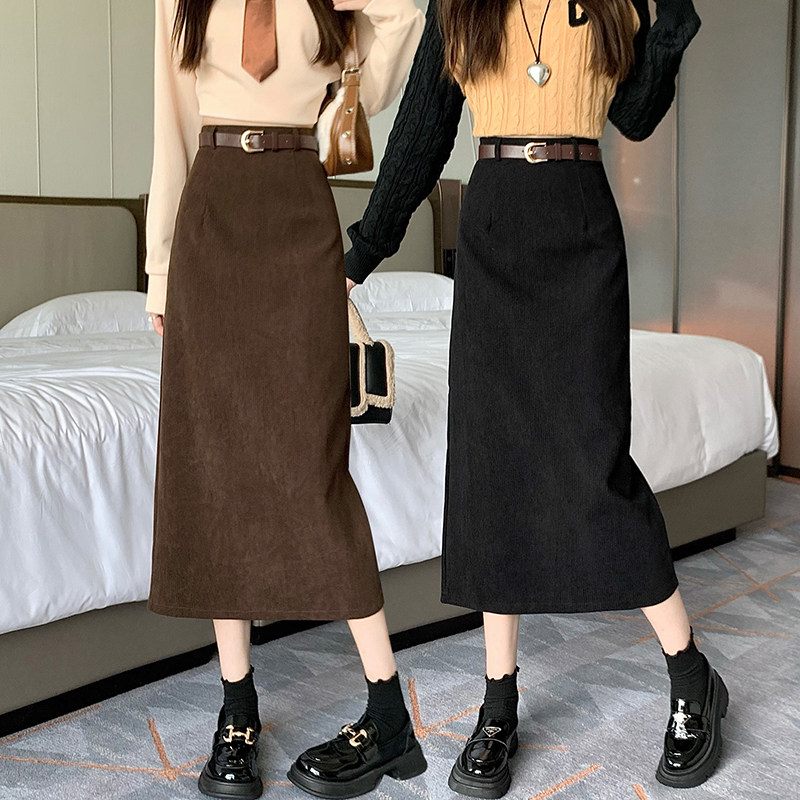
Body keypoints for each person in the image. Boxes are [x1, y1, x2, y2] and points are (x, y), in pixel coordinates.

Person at [342, 0, 724, 795]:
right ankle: (498, 706)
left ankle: (691, 674)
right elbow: (422, 133)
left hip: (582, 225)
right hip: (494, 228)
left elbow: (637, 115)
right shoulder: (460, 5)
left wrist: (672, 18)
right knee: (497, 468)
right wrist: (362, 252)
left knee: (596, 462)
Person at [144, 1, 426, 798]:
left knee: (314, 468)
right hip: (212, 215)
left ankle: (387, 709)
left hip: (301, 207)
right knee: (218, 468)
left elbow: (390, 54)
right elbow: (170, 124)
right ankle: (237, 709)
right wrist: (161, 270)